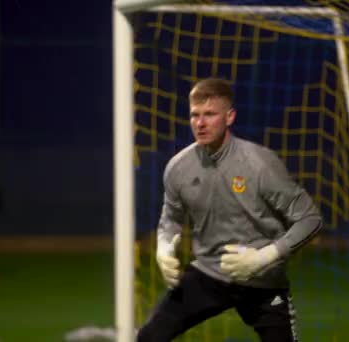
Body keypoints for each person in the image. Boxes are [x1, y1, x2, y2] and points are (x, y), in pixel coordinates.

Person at [136, 78, 323, 342]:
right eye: (195, 115)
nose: (200, 123)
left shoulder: (260, 164)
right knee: (148, 337)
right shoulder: (179, 168)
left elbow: (310, 218)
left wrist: (264, 257)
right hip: (208, 274)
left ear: (230, 117)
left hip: (263, 281)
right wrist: (164, 246)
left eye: (210, 114)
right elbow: (171, 217)